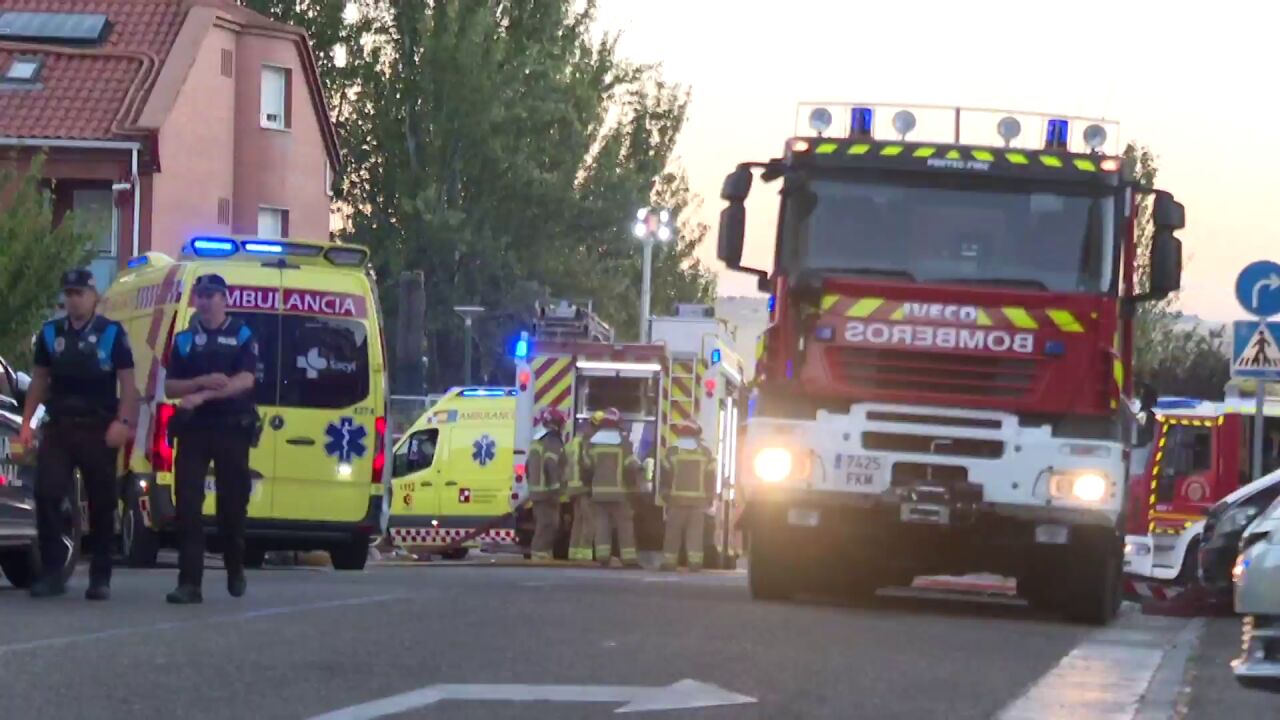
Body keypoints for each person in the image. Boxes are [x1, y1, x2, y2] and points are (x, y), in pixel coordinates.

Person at [20, 269, 138, 600]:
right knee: (47, 492)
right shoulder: (51, 333)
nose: (74, 300)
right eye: (69, 294)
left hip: (98, 428)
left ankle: (100, 575)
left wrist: (124, 422)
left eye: (79, 293)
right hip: (59, 426)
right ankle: (52, 571)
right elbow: (39, 379)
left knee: (101, 501)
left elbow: (128, 384)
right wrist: (27, 423)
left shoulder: (111, 333)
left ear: (93, 296)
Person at [163, 274, 259, 604]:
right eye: (200, 295)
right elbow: (170, 387)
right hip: (194, 429)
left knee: (231, 505)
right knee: (188, 505)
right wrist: (200, 382)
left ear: (224, 299)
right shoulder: (185, 339)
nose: (204, 301)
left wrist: (203, 396)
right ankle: (189, 582)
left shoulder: (241, 334)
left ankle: (235, 566)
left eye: (211, 295)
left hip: (231, 428)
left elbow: (245, 379)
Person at [581, 408, 641, 568]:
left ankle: (602, 557)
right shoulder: (623, 443)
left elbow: (586, 468)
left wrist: (589, 487)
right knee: (624, 525)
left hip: (598, 493)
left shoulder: (592, 443)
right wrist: (632, 487)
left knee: (602, 524)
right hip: (619, 493)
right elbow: (630, 467)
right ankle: (629, 558)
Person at [659, 421, 716, 572]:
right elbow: (711, 477)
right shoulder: (705, 452)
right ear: (696, 435)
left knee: (673, 533)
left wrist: (665, 495)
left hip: (676, 501)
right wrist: (710, 498)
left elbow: (665, 476)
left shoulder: (672, 452)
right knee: (695, 534)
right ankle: (695, 563)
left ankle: (669, 563)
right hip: (698, 502)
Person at [527, 408, 566, 561]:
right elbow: (551, 463)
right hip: (547, 492)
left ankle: (541, 554)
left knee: (543, 524)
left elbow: (527, 466)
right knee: (548, 524)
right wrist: (556, 487)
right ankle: (540, 555)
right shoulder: (553, 440)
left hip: (537, 491)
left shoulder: (538, 440)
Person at [563, 418, 594, 562]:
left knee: (578, 521)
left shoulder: (570, 444)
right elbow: (588, 465)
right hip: (583, 487)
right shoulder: (585, 445)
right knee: (589, 521)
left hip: (572, 488)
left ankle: (573, 552)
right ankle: (585, 554)